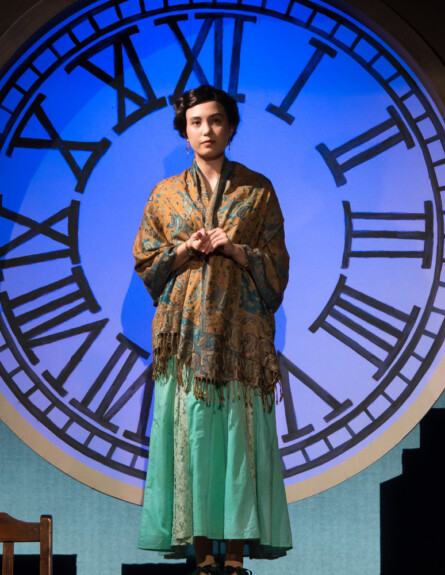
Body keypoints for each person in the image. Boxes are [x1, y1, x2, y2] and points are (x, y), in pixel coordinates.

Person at [134, 85, 292, 575]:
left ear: (232, 127)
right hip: (185, 337)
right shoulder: (164, 193)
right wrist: (185, 250)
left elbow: (278, 266)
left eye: (217, 120)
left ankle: (236, 558)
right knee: (194, 436)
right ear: (184, 130)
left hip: (241, 336)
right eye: (197, 121)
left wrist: (236, 249)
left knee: (238, 439)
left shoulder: (257, 190)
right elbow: (146, 262)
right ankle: (201, 555)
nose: (207, 130)